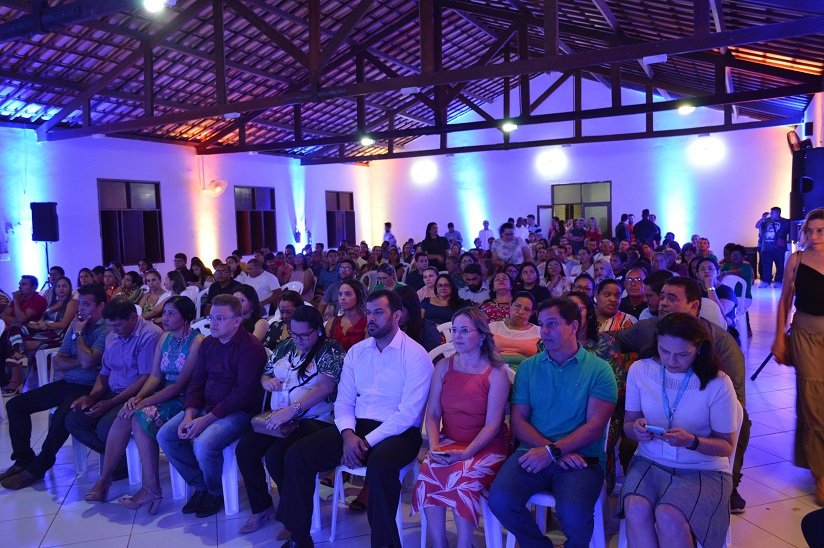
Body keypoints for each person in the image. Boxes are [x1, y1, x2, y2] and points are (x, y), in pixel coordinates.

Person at [276, 289, 433, 548]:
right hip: (357, 426)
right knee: (297, 454)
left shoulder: (416, 356)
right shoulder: (357, 352)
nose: (371, 318)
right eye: (369, 312)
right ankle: (299, 538)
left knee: (381, 469)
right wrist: (348, 435)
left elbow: (408, 414)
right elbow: (345, 401)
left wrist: (365, 442)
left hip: (398, 432)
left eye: (378, 312)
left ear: (397, 315)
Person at [488, 297, 617, 548]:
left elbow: (594, 427)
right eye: (542, 324)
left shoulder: (599, 370)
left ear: (573, 326)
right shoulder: (529, 368)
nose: (544, 331)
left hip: (582, 457)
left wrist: (555, 451)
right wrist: (549, 450)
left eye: (552, 324)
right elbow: (519, 421)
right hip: (534, 451)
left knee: (574, 517)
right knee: (500, 501)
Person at [613, 276, 749, 513]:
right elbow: (613, 341)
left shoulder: (721, 343)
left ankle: (731, 485)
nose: (662, 303)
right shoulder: (649, 331)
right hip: (654, 445)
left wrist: (695, 435)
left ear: (694, 306)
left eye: (671, 298)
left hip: (705, 431)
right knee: (629, 450)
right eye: (661, 296)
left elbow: (736, 398)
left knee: (741, 421)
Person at [620, 313, 740, 548]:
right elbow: (628, 425)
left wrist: (692, 441)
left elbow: (726, 446)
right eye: (664, 351)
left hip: (702, 469)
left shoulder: (717, 383)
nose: (671, 360)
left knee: (669, 514)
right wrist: (636, 430)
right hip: (649, 461)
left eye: (682, 354)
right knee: (634, 507)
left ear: (699, 349)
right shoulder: (640, 370)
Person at [235, 305, 345, 535]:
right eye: (294, 333)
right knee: (246, 448)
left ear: (318, 330)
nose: (299, 339)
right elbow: (266, 372)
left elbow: (326, 386)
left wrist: (293, 409)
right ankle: (262, 507)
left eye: (304, 335)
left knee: (278, 455)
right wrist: (266, 382)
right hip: (281, 416)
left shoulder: (330, 349)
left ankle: (293, 515)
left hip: (316, 418)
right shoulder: (286, 346)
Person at [83, 296, 203, 506]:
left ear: (186, 318)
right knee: (125, 414)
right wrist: (137, 397)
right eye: (164, 312)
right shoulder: (165, 338)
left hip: (186, 398)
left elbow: (180, 385)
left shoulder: (196, 342)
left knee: (140, 417)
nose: (164, 318)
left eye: (171, 314)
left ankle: (151, 488)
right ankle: (105, 480)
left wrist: (145, 402)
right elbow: (155, 376)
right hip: (164, 393)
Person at [157, 294, 267, 518]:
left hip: (239, 412)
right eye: (211, 317)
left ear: (237, 321)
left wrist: (206, 419)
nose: (212, 324)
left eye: (220, 319)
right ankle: (201, 486)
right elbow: (196, 382)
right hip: (206, 406)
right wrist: (189, 414)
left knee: (204, 444)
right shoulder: (209, 343)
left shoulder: (251, 348)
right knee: (166, 435)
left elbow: (242, 394)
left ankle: (215, 492)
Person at [413, 307, 510, 548]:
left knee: (461, 480)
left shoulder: (496, 373)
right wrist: (434, 445)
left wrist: (467, 453)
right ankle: (439, 543)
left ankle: (465, 545)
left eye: (465, 331)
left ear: (482, 336)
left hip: (487, 446)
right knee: (428, 474)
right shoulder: (444, 367)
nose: (456, 336)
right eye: (455, 330)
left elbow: (493, 425)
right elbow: (433, 413)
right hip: (450, 441)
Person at [0, 284, 110, 490]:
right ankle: (23, 459)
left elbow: (89, 363)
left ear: (101, 306)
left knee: (61, 415)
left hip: (90, 387)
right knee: (16, 405)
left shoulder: (105, 329)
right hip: (68, 382)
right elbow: (59, 361)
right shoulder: (76, 324)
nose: (81, 309)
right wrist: (82, 356)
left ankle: (39, 466)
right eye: (80, 304)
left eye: (86, 305)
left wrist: (78, 338)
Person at [61, 297, 162, 490]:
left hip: (136, 396)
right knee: (73, 419)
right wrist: (93, 396)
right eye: (111, 326)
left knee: (104, 428)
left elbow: (145, 378)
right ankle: (120, 459)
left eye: (118, 326)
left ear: (133, 318)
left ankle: (116, 464)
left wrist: (110, 403)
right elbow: (104, 373)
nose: (114, 331)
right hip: (111, 391)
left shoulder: (150, 335)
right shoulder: (112, 337)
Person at [771, 207, 824, 504]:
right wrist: (779, 338)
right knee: (813, 398)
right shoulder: (797, 260)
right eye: (810, 230)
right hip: (805, 334)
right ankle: (821, 472)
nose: (814, 236)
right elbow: (784, 302)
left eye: (821, 230)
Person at [3, 276, 77, 395]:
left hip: (57, 335)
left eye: (64, 286)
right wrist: (37, 325)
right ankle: (17, 356)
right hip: (42, 331)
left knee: (19, 343)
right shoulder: (52, 303)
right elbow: (41, 321)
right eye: (58, 286)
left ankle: (15, 380)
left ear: (69, 288)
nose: (61, 289)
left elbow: (64, 324)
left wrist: (46, 326)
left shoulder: (72, 302)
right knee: (16, 328)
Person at [489, 292, 540, 370]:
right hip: (494, 370)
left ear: (532, 313)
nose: (520, 312)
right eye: (517, 306)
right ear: (510, 305)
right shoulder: (493, 326)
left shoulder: (539, 332)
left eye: (526, 309)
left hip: (527, 373)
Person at [394, 284, 441, 352]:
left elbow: (434, 357)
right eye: (393, 310)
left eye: (401, 311)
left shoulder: (427, 329)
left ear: (411, 309)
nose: (396, 316)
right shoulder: (391, 327)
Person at [324, 279, 368, 352]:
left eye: (348, 294)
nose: (342, 298)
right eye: (340, 294)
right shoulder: (332, 322)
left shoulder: (368, 324)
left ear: (359, 296)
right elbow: (325, 350)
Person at [756, 206, 790, 287]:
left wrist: (788, 243)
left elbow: (791, 231)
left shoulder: (785, 222)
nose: (771, 214)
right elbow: (757, 226)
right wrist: (762, 218)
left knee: (780, 265)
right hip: (766, 247)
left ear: (778, 212)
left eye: (773, 212)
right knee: (766, 265)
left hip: (779, 248)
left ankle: (778, 281)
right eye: (771, 212)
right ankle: (766, 281)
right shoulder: (767, 221)